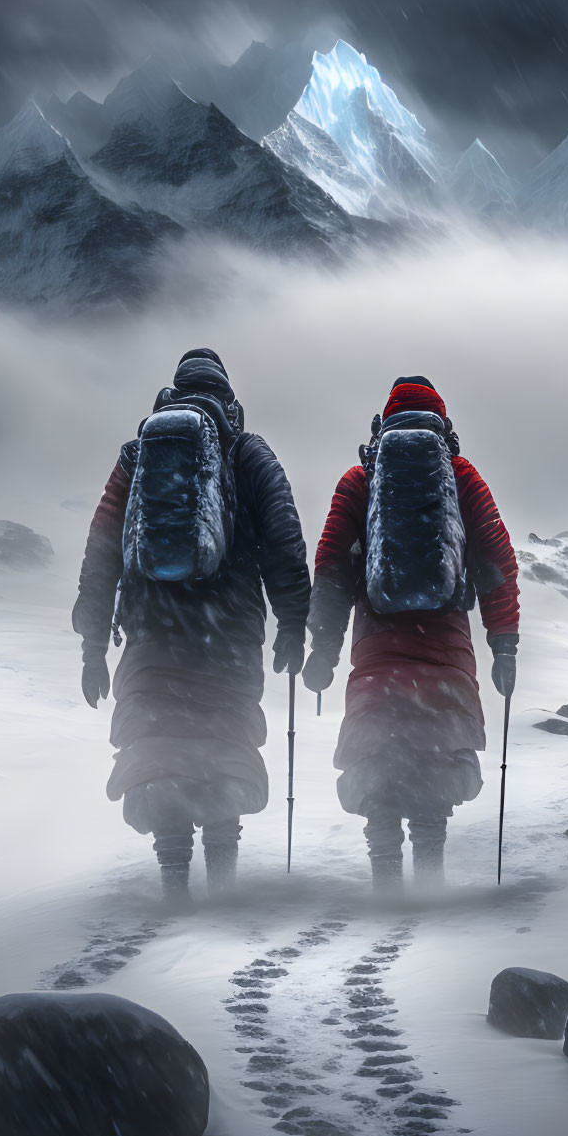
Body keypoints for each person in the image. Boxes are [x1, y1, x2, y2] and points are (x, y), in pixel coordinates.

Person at [73, 349, 310, 903]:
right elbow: (284, 544)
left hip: (153, 637)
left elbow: (101, 551)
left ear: (172, 394)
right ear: (230, 399)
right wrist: (293, 623)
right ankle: (222, 887)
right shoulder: (250, 455)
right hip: (228, 639)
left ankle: (174, 885)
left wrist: (92, 645)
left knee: (159, 749)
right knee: (224, 745)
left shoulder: (138, 457)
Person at [302, 377, 519, 890]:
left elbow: (331, 566)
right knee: (435, 767)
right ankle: (429, 882)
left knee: (378, 765)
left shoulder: (361, 480)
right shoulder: (461, 479)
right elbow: (498, 562)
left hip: (377, 656)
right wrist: (502, 644)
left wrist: (324, 649)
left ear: (383, 424)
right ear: (444, 428)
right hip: (445, 653)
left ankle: (385, 886)